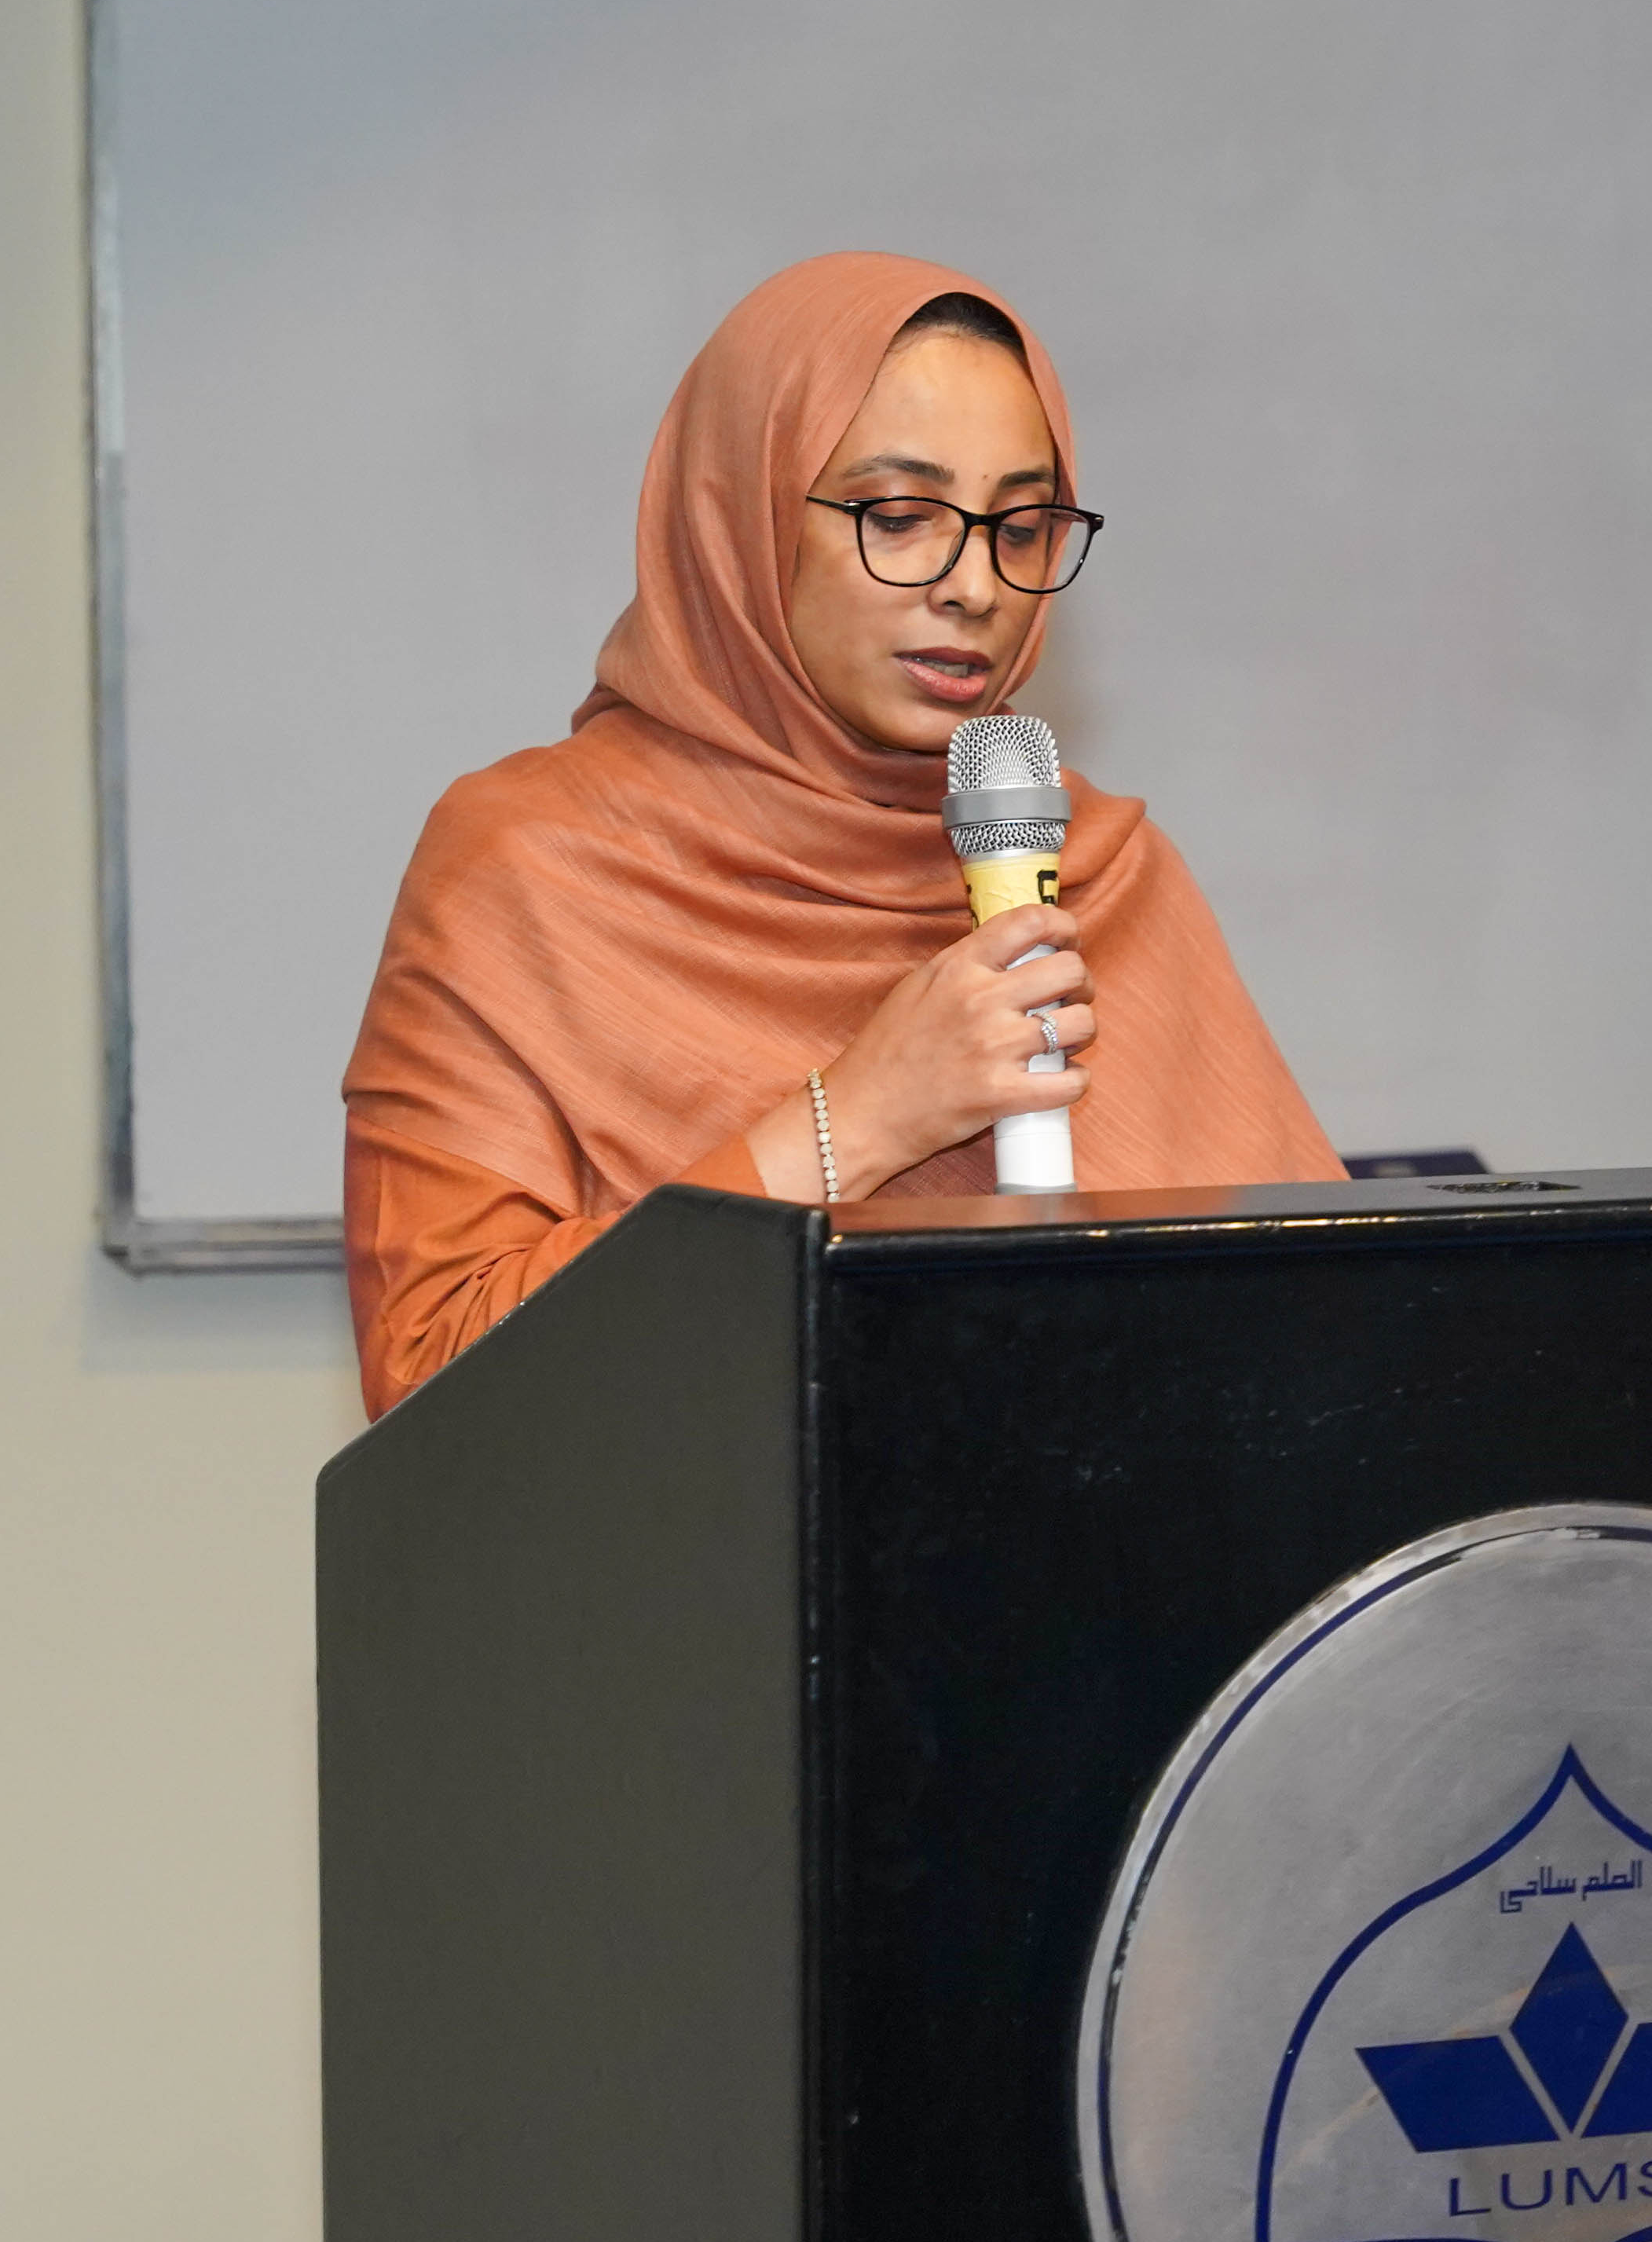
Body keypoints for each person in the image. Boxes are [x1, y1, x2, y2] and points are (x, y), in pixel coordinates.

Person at [340, 253, 1339, 1415]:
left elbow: (1325, 1330)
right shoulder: (530, 865)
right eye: (901, 517)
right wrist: (856, 1123)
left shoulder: (1103, 872)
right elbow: (433, 1377)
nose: (975, 586)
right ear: (744, 518)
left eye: (1023, 529)